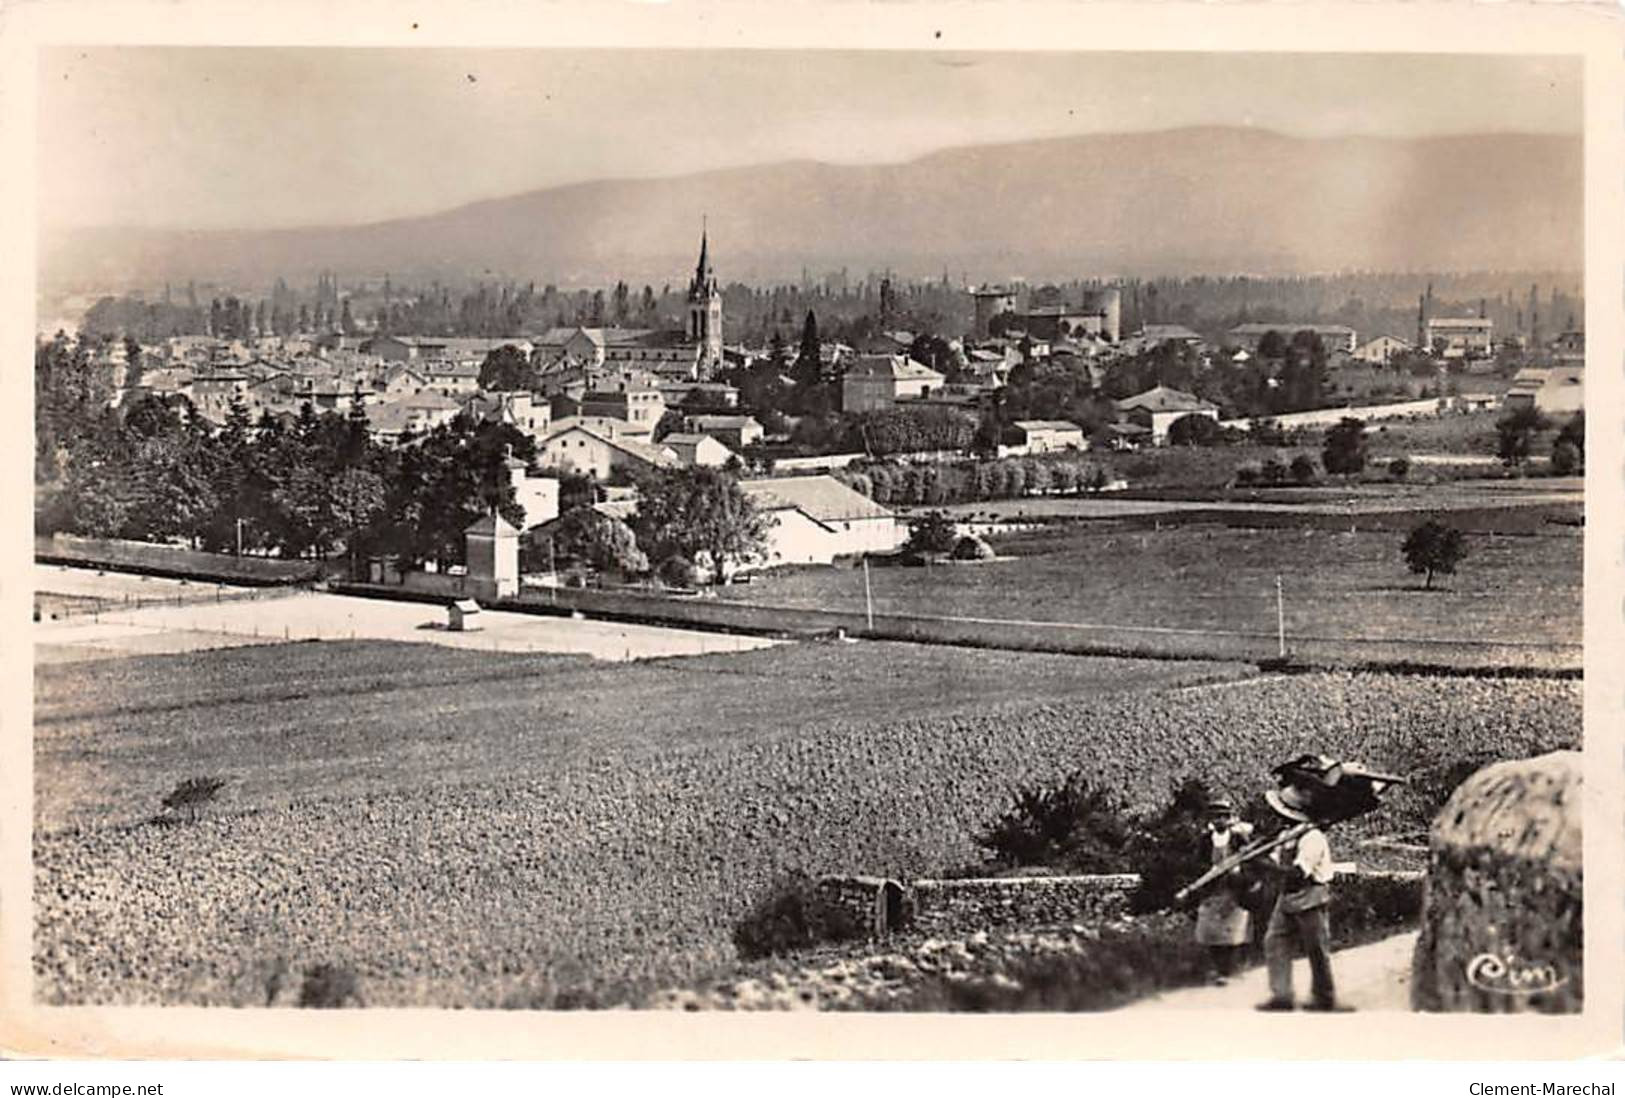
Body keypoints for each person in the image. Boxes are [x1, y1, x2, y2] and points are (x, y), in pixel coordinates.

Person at [1256, 784, 1352, 1012]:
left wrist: (1265, 866)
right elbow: (1274, 859)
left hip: (1310, 895)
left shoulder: (1312, 837)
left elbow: (1299, 873)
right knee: (1274, 942)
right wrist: (1257, 856)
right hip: (1287, 896)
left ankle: (1324, 997)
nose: (1277, 815)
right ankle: (1282, 996)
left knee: (1316, 949)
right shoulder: (1285, 835)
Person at [1194, 796, 1255, 985]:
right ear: (1211, 820)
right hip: (1213, 889)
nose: (1219, 820)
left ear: (1229, 818)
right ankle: (1218, 969)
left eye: (1223, 816)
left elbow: (1251, 859)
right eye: (1215, 817)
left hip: (1234, 889)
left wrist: (1239, 871)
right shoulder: (1205, 840)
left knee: (1233, 929)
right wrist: (1209, 870)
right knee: (1211, 929)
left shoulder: (1238, 838)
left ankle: (1231, 969)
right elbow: (1198, 863)